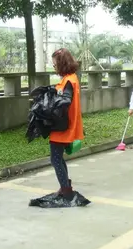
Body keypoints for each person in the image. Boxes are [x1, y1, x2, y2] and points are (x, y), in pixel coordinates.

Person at [49, 48, 84, 199]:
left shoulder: (69, 80)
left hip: (62, 126)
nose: (54, 66)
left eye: (55, 64)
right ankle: (65, 186)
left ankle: (66, 189)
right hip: (66, 124)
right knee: (58, 157)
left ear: (62, 63)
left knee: (55, 158)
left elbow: (66, 100)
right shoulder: (71, 78)